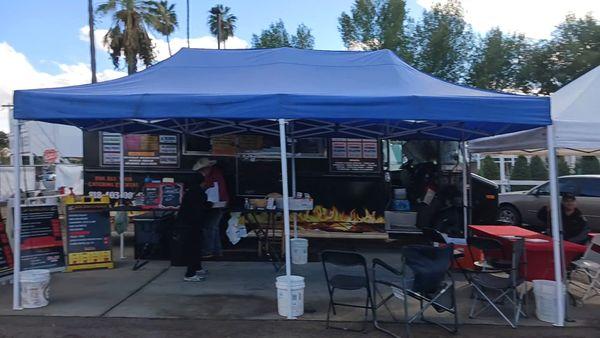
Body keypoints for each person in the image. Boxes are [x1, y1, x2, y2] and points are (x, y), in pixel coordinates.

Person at [176, 173, 212, 282]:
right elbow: (200, 208)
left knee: (194, 247)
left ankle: (197, 267)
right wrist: (209, 205)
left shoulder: (189, 191)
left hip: (186, 224)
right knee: (194, 248)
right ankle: (190, 274)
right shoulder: (199, 192)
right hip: (193, 225)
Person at [192, 158, 230, 257]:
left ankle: (208, 250)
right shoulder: (216, 174)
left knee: (209, 227)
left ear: (206, 168)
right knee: (213, 227)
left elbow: (210, 189)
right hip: (219, 203)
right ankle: (217, 251)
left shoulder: (213, 176)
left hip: (216, 204)